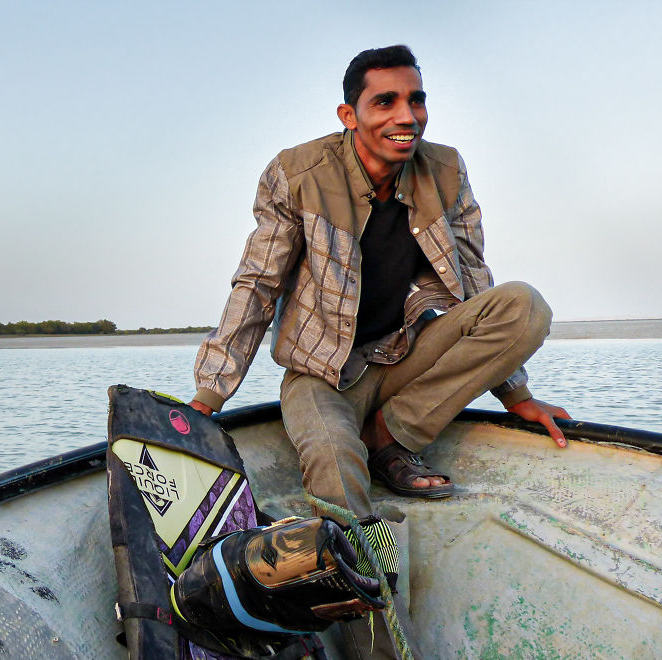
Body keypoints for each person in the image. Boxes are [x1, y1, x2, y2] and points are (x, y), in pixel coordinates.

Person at [188, 45, 570, 519]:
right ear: (350, 114)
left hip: (402, 354)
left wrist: (516, 395)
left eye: (417, 100)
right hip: (321, 374)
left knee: (523, 305)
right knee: (335, 462)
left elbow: (474, 279)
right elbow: (257, 286)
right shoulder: (297, 173)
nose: (407, 116)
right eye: (385, 102)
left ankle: (391, 437)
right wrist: (209, 396)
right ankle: (362, 570)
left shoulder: (446, 170)